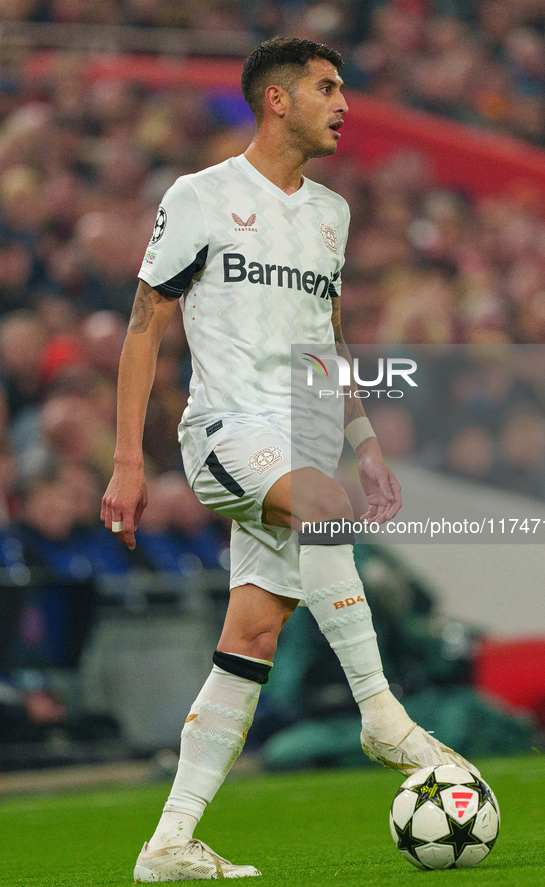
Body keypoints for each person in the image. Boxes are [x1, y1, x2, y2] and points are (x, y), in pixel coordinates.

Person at [101, 36, 478, 882]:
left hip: (300, 444)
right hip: (225, 433)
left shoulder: (331, 214)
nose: (344, 103)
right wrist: (129, 460)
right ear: (277, 100)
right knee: (324, 507)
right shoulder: (200, 196)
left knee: (253, 636)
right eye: (327, 87)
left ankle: (168, 841)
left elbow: (327, 343)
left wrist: (366, 443)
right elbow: (142, 326)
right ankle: (381, 712)